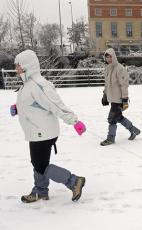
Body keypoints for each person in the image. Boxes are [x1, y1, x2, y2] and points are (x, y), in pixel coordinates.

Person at [10, 50, 86, 203]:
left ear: (26, 66)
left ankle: (73, 181)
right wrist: (18, 108)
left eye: (18, 66)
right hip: (37, 131)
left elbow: (55, 105)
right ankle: (41, 191)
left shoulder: (39, 85)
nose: (16, 69)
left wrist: (74, 121)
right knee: (38, 163)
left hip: (42, 132)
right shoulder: (28, 84)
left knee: (41, 166)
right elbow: (34, 104)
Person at [100, 48, 141, 146]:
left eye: (109, 56)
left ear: (113, 57)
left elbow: (124, 85)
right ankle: (133, 130)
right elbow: (107, 84)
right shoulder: (107, 68)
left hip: (118, 99)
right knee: (118, 117)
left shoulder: (120, 68)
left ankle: (110, 138)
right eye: (106, 57)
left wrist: (125, 99)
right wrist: (105, 95)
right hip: (112, 98)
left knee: (112, 118)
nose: (108, 59)